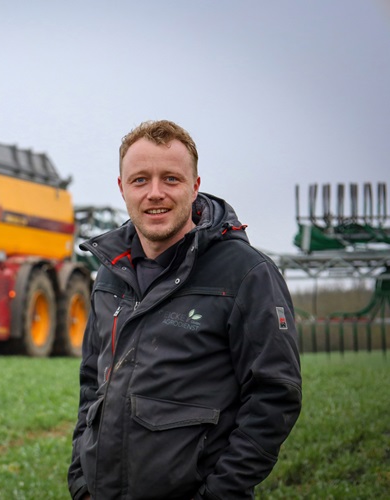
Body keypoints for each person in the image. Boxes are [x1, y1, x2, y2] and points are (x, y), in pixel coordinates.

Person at [67, 120, 302, 500]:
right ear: (122, 187)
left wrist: (220, 493)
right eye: (140, 180)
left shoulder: (246, 274)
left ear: (194, 187)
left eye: (171, 179)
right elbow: (91, 384)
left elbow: (275, 396)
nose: (154, 193)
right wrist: (81, 481)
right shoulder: (110, 274)